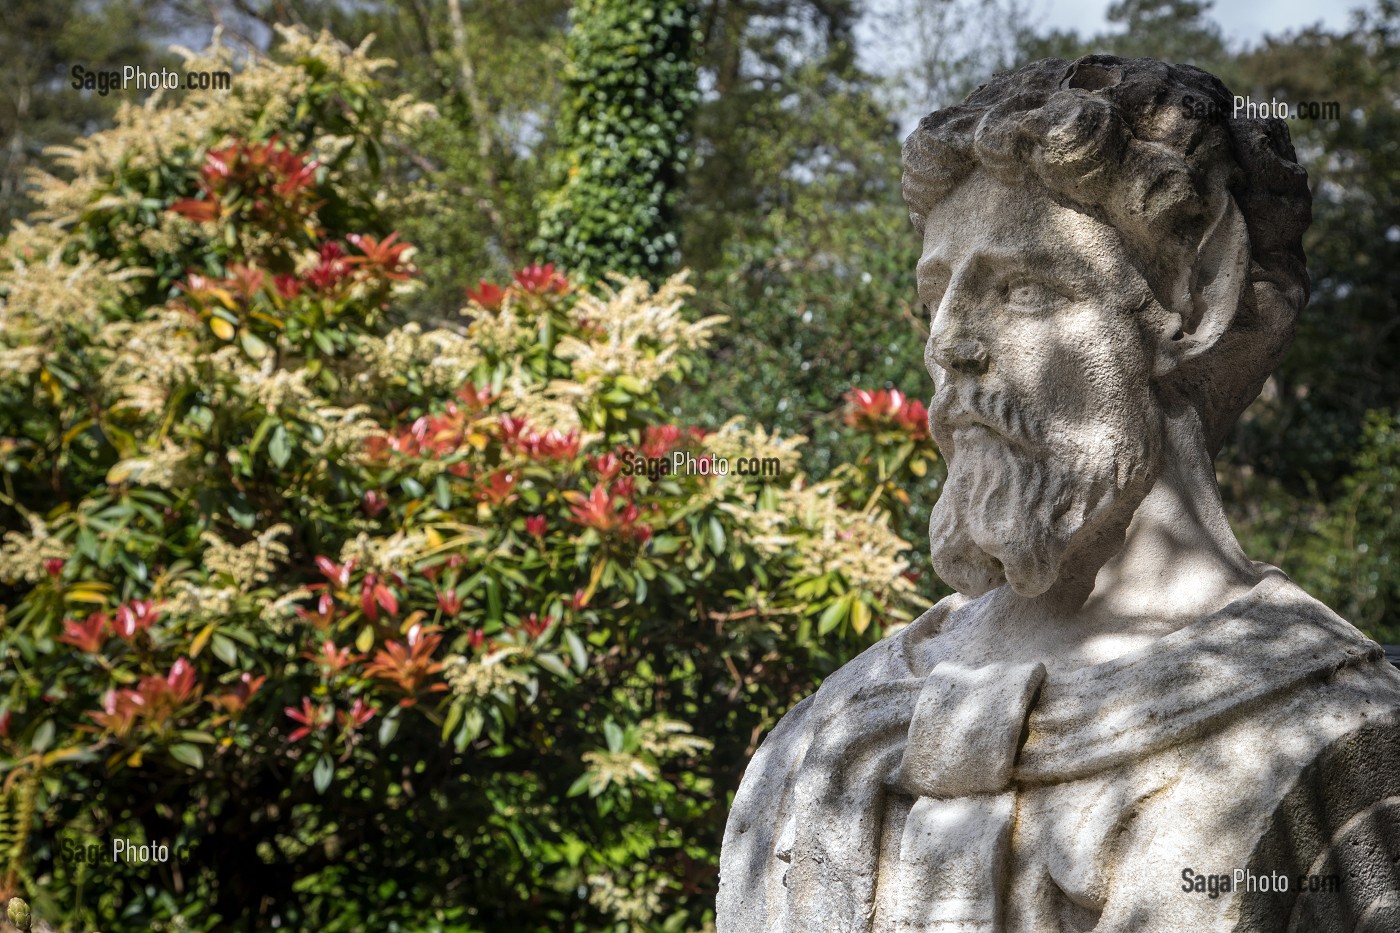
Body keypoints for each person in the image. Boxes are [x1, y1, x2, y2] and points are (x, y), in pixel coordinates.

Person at [718, 55, 1400, 933]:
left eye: (1025, 289)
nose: (952, 344)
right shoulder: (826, 739)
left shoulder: (1334, 740)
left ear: (1196, 301)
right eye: (938, 297)